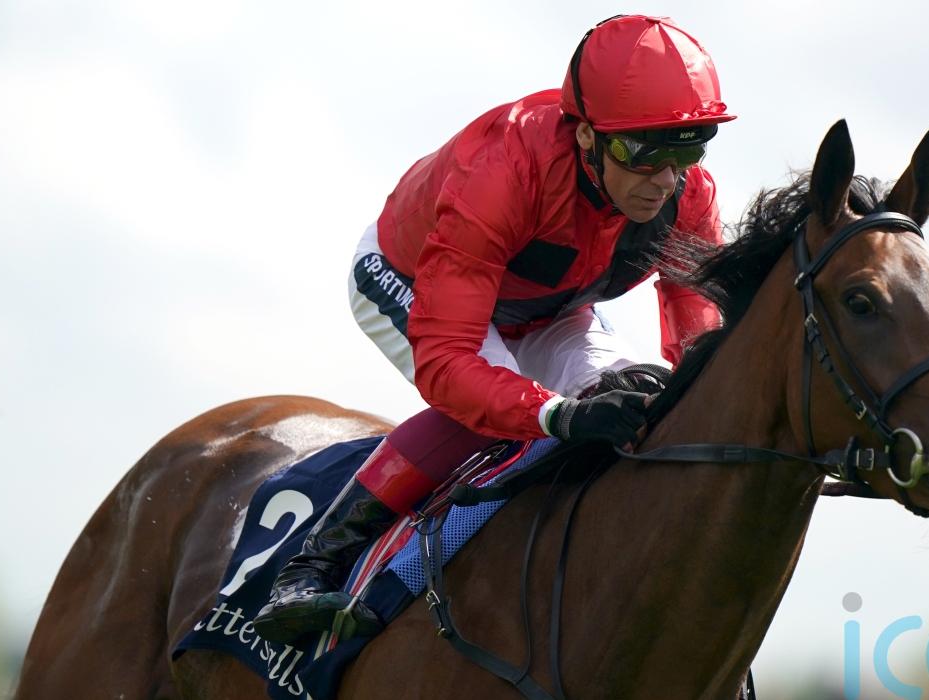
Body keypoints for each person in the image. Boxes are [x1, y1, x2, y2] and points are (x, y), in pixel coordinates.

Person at [253, 14, 735, 643]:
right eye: (643, 153)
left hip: (548, 308)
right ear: (586, 136)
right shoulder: (505, 169)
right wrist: (556, 414)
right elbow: (449, 364)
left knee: (637, 392)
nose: (665, 179)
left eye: (688, 148)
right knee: (497, 413)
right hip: (411, 277)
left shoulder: (687, 194)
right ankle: (311, 566)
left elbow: (698, 335)